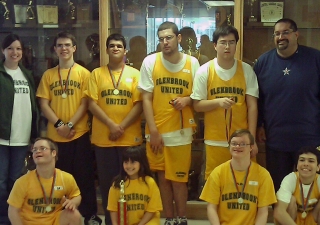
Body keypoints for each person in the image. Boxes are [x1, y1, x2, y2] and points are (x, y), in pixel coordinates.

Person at [138, 21, 200, 225]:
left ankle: (182, 218)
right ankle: (169, 219)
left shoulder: (192, 63)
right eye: (161, 38)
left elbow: (199, 96)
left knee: (179, 179)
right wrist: (153, 130)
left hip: (181, 131)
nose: (165, 42)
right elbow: (146, 98)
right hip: (156, 132)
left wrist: (187, 100)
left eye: (169, 37)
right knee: (162, 178)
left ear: (179, 38)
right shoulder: (149, 62)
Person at [36, 31, 101, 225]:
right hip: (55, 137)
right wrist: (59, 125)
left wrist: (70, 125)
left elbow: (85, 103)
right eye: (60, 45)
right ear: (55, 49)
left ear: (74, 48)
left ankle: (89, 215)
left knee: (84, 177)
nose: (64, 48)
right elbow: (44, 104)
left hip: (78, 133)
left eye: (67, 45)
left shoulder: (84, 73)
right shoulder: (48, 75)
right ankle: (59, 215)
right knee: (57, 180)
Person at [254, 18, 320, 191]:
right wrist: (259, 124)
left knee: (309, 191)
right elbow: (257, 99)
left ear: (296, 35)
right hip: (276, 139)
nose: (280, 37)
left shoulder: (315, 59)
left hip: (309, 138)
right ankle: (282, 219)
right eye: (277, 33)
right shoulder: (263, 63)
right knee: (280, 191)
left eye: (285, 32)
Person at [85, 33, 143, 225]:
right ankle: (112, 222)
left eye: (119, 45)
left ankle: (131, 221)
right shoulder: (96, 74)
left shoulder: (135, 74)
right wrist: (111, 125)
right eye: (112, 45)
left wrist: (121, 127)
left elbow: (139, 105)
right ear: (107, 50)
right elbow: (91, 104)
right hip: (104, 138)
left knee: (131, 184)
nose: (115, 48)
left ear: (125, 50)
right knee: (109, 185)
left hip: (130, 139)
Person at [191, 25, 259, 180]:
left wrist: (252, 140)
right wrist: (217, 102)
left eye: (231, 42)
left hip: (242, 141)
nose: (227, 47)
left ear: (236, 44)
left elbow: (252, 107)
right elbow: (197, 105)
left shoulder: (247, 70)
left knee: (243, 184)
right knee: (216, 185)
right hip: (214, 140)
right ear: (215, 45)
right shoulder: (205, 71)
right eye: (223, 42)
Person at [0, 33, 39, 225]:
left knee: (16, 180)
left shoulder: (27, 75)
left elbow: (33, 108)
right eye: (10, 48)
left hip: (22, 137)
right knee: (0, 181)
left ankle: (13, 217)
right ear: (3, 51)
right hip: (1, 137)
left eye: (18, 49)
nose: (14, 52)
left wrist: (34, 136)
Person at [200, 129, 277, 225]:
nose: (237, 146)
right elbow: (211, 208)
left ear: (251, 147)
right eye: (234, 143)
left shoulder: (263, 175)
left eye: (243, 144)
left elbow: (263, 211)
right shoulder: (218, 173)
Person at [7, 137, 82, 225]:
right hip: (30, 222)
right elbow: (12, 211)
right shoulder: (22, 181)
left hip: (55, 221)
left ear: (53, 153)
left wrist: (73, 202)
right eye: (34, 150)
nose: (37, 151)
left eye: (42, 148)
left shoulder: (66, 177)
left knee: (74, 214)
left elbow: (77, 196)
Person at [107, 146, 162, 225]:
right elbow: (113, 209)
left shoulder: (150, 182)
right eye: (126, 162)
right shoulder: (117, 184)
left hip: (147, 222)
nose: (129, 166)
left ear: (141, 162)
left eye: (133, 162)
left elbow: (152, 210)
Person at [274, 146, 320, 225]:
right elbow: (278, 212)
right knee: (291, 200)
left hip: (313, 221)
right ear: (297, 166)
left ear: (318, 167)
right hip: (291, 222)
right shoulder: (290, 179)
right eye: (302, 160)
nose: (306, 164)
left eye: (311, 161)